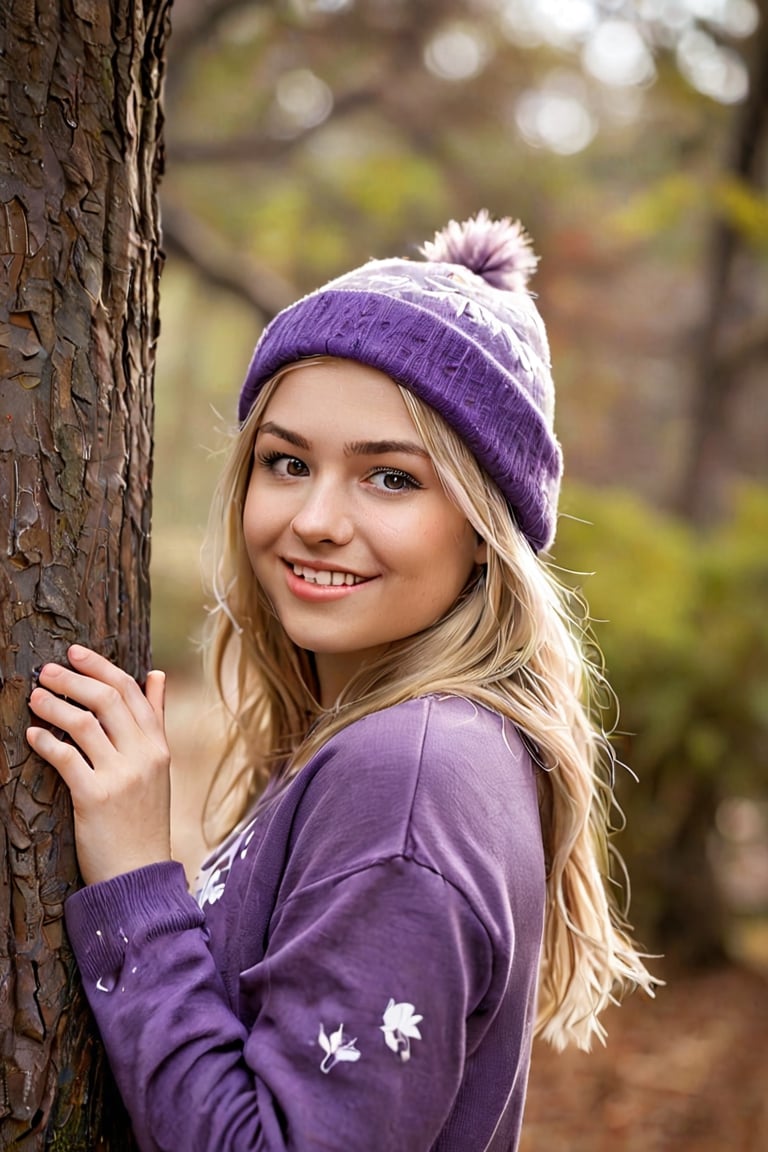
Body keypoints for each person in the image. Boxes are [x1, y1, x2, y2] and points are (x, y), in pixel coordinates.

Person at [27, 211, 656, 1152]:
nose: (315, 519)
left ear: (487, 531)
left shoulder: (408, 775)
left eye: (390, 478)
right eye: (287, 463)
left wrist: (133, 883)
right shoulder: (407, 743)